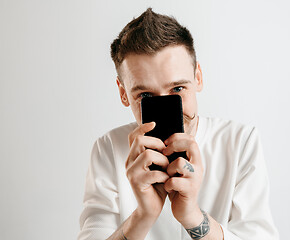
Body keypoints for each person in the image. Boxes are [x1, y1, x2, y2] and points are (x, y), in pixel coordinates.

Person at [78, 8, 279, 240]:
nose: (167, 107)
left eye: (177, 89)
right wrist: (144, 215)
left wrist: (192, 216)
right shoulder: (108, 150)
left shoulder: (240, 142)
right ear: (123, 93)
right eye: (145, 96)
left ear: (198, 78)